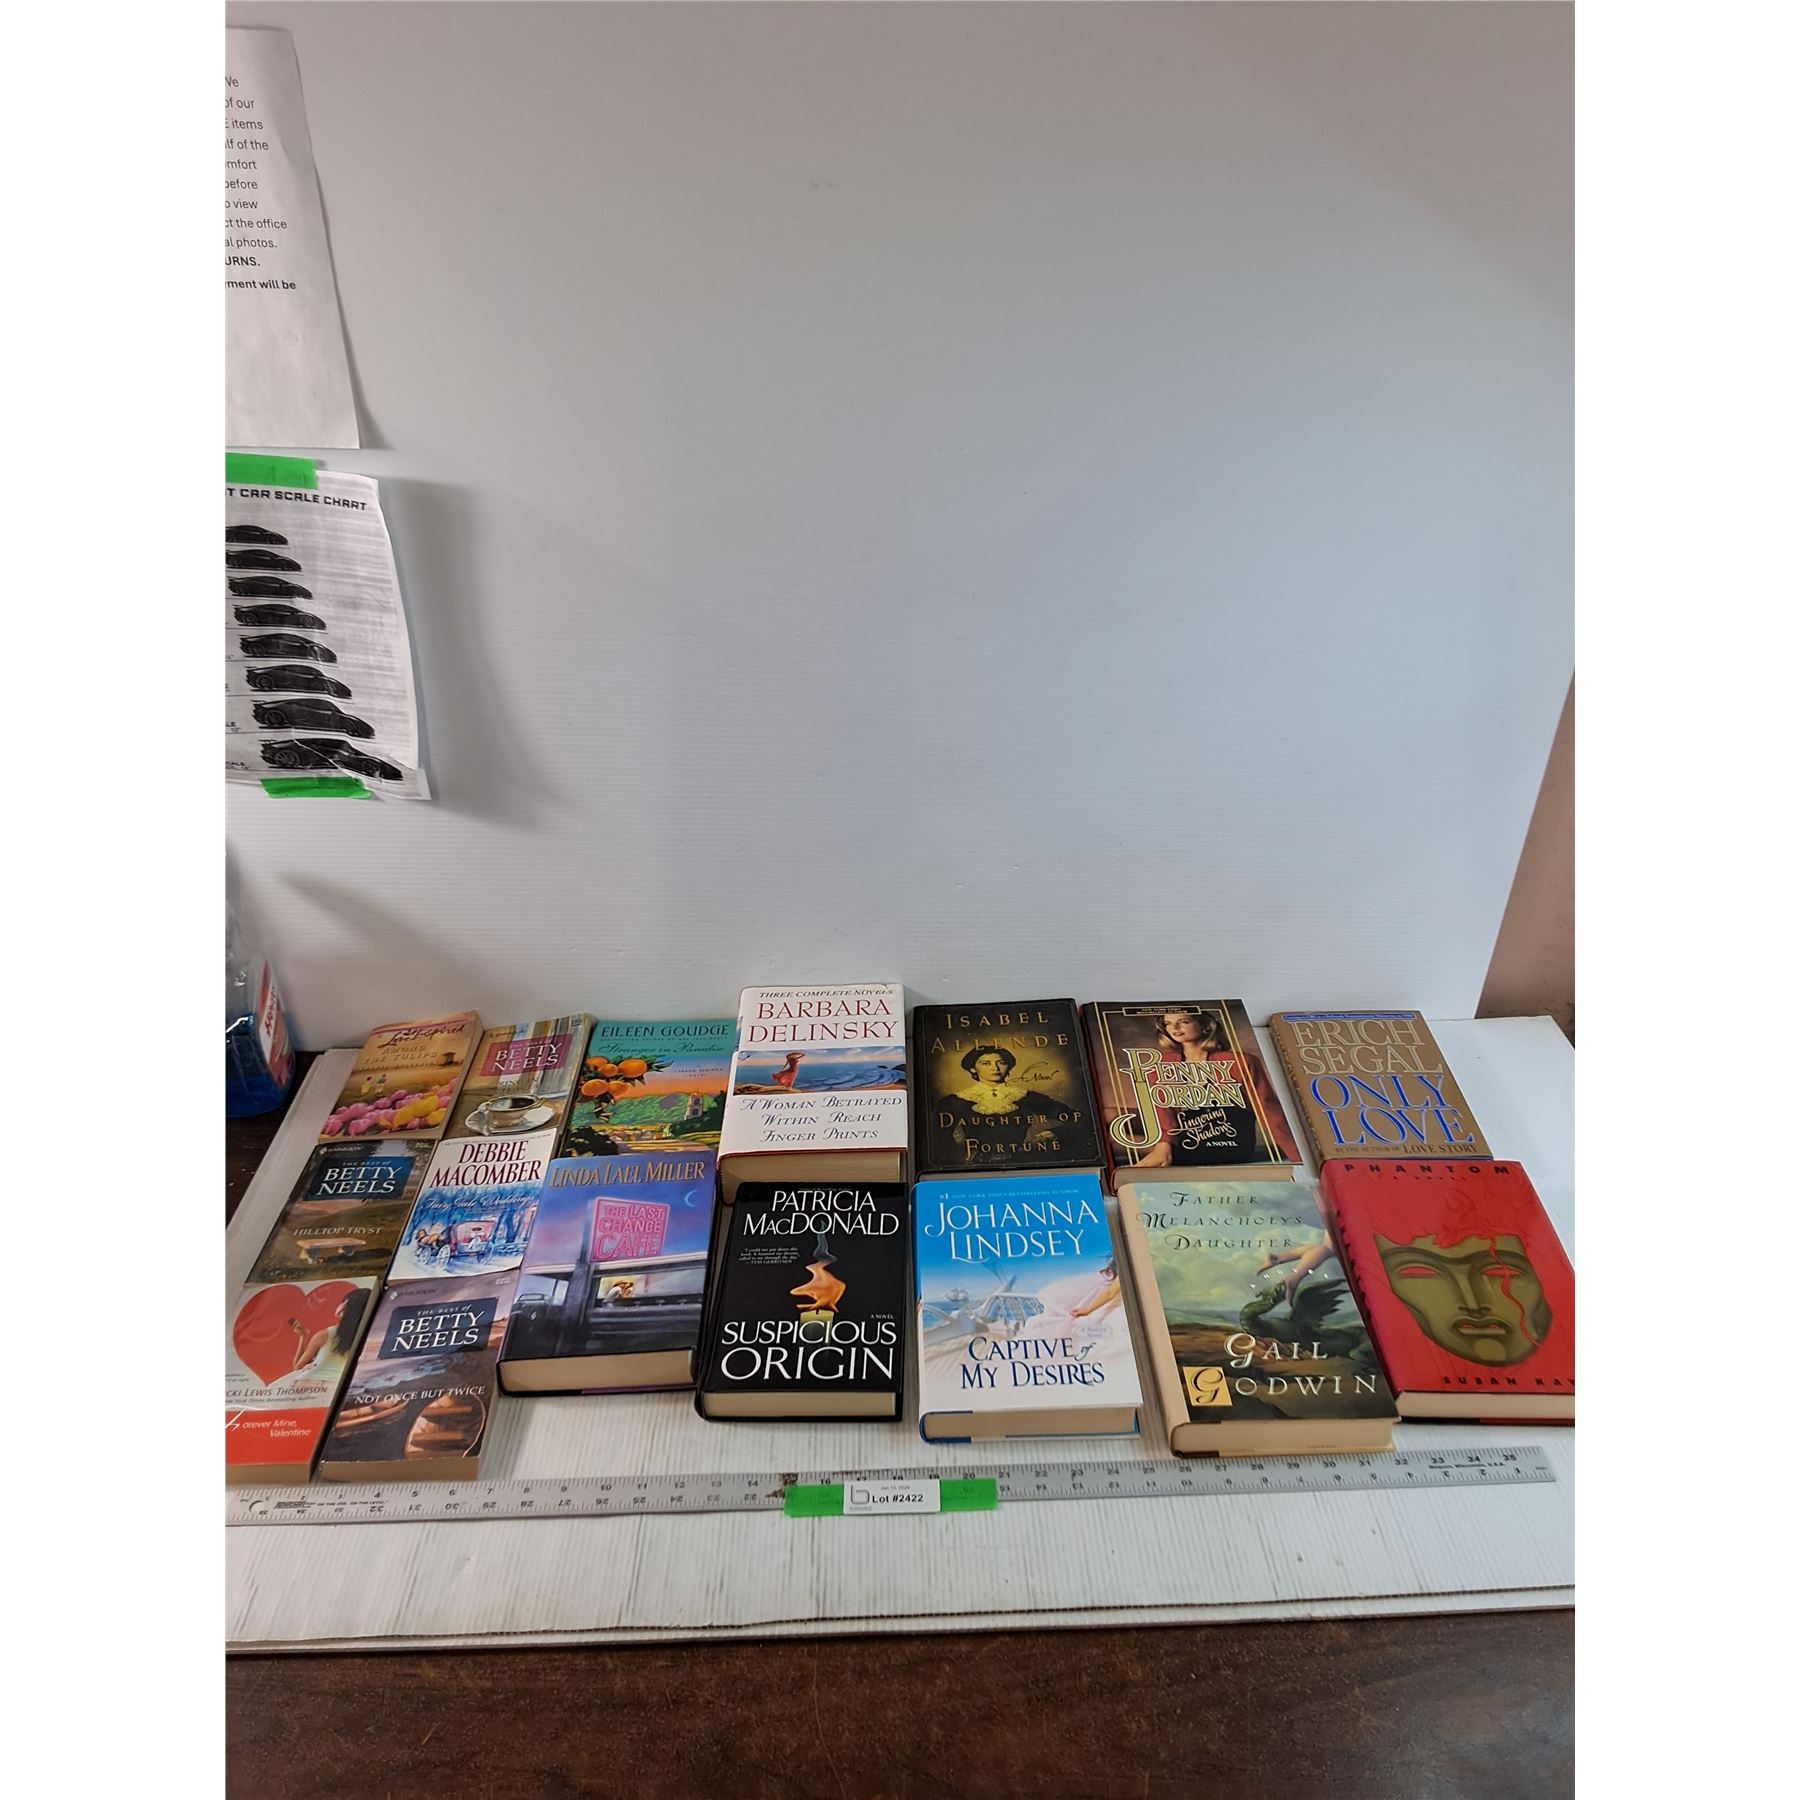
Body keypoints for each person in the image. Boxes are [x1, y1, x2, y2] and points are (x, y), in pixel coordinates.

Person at [1131, 1008, 1301, 1167]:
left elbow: (1268, 1108)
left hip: (1227, 1139)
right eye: (1168, 1024)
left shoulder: (1241, 1061)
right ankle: (1158, 1152)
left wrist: (1296, 1155)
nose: (1174, 1028)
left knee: (1129, 1146)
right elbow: (1163, 1109)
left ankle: (1158, 1154)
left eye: (1184, 1021)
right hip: (1185, 1132)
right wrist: (1163, 1144)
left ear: (1206, 1026)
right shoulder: (1163, 1064)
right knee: (1120, 1123)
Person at [936, 1044, 1077, 1159]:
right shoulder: (954, 1101)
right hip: (976, 1169)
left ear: (1008, 1067)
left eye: (1001, 1063)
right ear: (973, 1068)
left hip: (1022, 1164)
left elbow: (1075, 1118)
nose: (995, 1068)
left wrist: (1051, 1133)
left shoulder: (1027, 1097)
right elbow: (939, 1140)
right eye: (986, 1063)